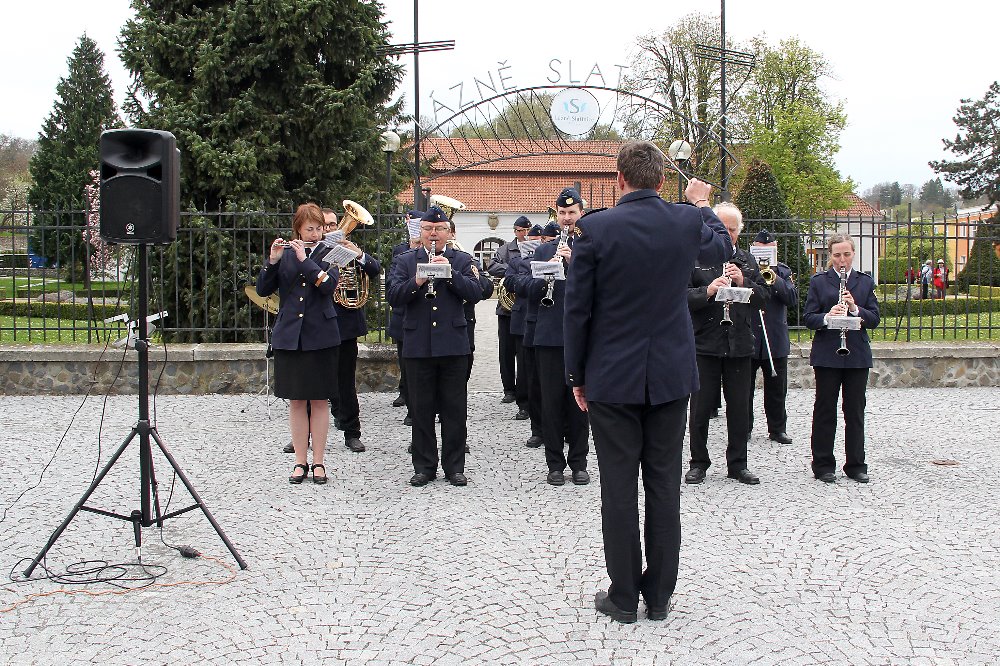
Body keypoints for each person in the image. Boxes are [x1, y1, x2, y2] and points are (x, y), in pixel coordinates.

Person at [564, 140, 732, 624]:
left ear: (620, 179)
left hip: (612, 375)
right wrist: (701, 203)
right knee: (663, 486)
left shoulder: (595, 229)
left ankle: (623, 598)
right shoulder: (685, 220)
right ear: (662, 180)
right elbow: (723, 247)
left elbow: (578, 311)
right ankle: (658, 597)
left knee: (618, 487)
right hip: (671, 374)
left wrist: (577, 374)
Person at [387, 206, 484, 487]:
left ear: (448, 233)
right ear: (421, 231)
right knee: (421, 409)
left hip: (453, 345)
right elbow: (394, 295)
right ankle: (424, 466)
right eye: (428, 229)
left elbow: (476, 293)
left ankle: (454, 467)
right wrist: (417, 280)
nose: (433, 234)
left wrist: (450, 273)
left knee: (455, 409)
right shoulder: (406, 261)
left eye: (439, 229)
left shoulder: (462, 260)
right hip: (418, 345)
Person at [685, 202, 769, 486]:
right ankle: (698, 462)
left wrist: (742, 280)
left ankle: (738, 464)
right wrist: (708, 291)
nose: (729, 234)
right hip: (705, 343)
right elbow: (682, 297)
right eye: (724, 229)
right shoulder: (695, 259)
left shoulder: (746, 260)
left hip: (739, 343)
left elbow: (763, 298)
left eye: (733, 230)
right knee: (700, 408)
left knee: (739, 407)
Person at [257, 203, 341, 485]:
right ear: (298, 229)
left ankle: (319, 462)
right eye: (310, 229)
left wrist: (306, 259)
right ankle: (299, 461)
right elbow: (262, 290)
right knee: (296, 401)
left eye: (319, 228)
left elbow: (329, 286)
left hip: (321, 336)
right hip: (291, 336)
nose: (316, 233)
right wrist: (272, 260)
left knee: (319, 400)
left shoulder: (331, 253)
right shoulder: (286, 254)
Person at [518, 188, 590, 487]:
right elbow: (520, 285)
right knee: (551, 402)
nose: (566, 218)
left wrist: (574, 263)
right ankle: (554, 464)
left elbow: (601, 286)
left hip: (581, 336)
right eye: (562, 213)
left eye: (571, 213)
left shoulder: (589, 247)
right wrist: (544, 277)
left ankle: (579, 462)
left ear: (580, 214)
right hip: (549, 336)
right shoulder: (544, 251)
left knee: (580, 403)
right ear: (556, 214)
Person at [803, 234, 880, 483]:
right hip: (827, 354)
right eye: (837, 255)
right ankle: (823, 464)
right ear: (830, 256)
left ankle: (856, 464)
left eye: (846, 254)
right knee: (825, 409)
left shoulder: (864, 283)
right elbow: (808, 318)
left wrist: (855, 309)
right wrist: (828, 316)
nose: (842, 260)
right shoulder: (819, 282)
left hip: (856, 354)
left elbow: (875, 319)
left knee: (855, 411)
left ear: (853, 254)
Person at [326, 208, 381, 453]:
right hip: (318, 324)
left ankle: (351, 432)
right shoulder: (308, 252)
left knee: (346, 381)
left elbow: (375, 270)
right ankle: (303, 436)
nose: (329, 229)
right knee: (311, 382)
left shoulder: (349, 248)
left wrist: (358, 255)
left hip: (345, 323)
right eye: (323, 225)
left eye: (331, 224)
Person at [747, 229, 797, 445]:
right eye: (760, 249)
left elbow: (792, 298)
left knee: (777, 389)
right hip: (749, 336)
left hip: (774, 338)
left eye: (768, 250)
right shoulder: (745, 269)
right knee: (744, 390)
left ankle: (777, 429)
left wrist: (774, 278)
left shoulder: (784, 272)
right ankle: (744, 427)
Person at [505, 226, 544, 447]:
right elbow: (510, 281)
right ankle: (530, 414)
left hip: (558, 325)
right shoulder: (519, 261)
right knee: (530, 375)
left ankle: (564, 428)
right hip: (528, 320)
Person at [487, 216, 532, 403]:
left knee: (523, 352)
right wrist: (513, 269)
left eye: (527, 230)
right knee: (506, 352)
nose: (524, 234)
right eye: (521, 230)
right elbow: (492, 266)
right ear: (515, 231)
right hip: (506, 309)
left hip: (525, 307)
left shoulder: (536, 248)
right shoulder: (505, 249)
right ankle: (508, 389)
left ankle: (524, 390)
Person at [387, 211, 423, 427]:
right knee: (407, 365)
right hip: (404, 318)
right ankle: (411, 406)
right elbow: (394, 287)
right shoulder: (401, 253)